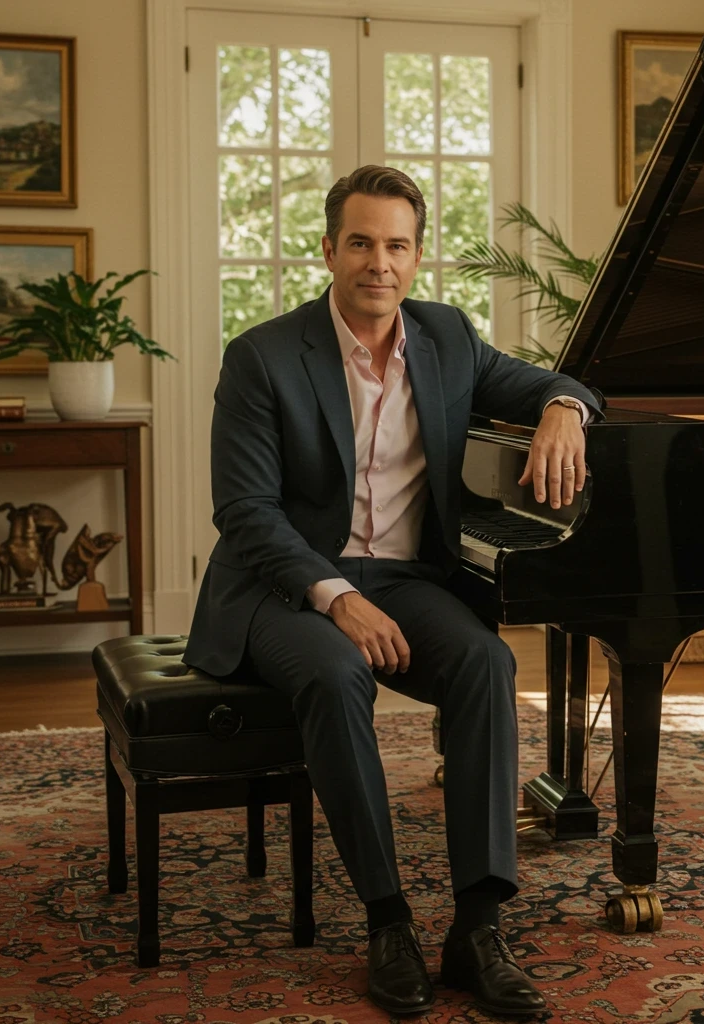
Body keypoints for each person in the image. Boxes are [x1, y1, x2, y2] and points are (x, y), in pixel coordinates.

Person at [185, 165, 603, 1016]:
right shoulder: (262, 356)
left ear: (418, 257)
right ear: (330, 250)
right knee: (338, 677)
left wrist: (564, 407)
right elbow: (246, 510)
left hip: (409, 578)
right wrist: (335, 595)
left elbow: (554, 383)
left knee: (485, 663)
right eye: (363, 243)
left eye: (398, 245)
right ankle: (387, 922)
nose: (381, 262)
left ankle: (478, 928)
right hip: (286, 586)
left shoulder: (447, 336)